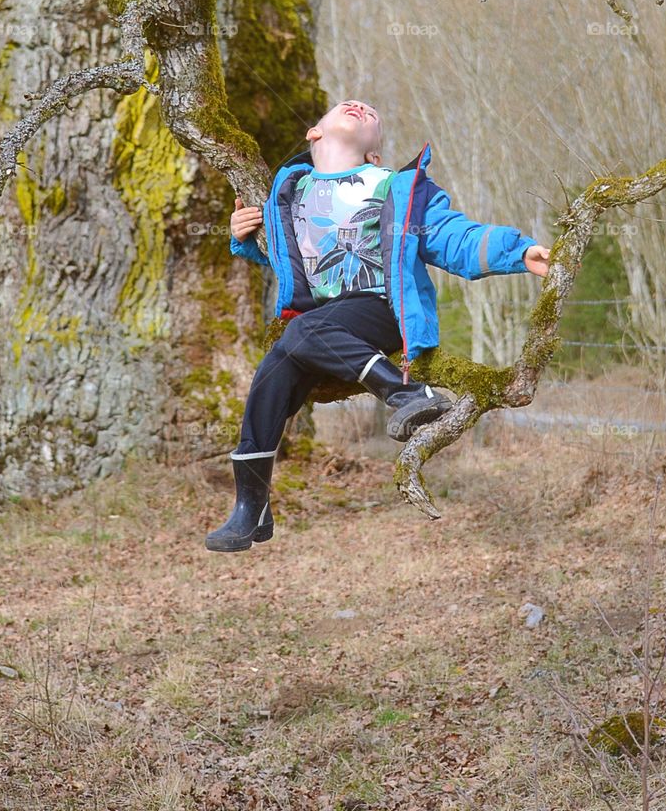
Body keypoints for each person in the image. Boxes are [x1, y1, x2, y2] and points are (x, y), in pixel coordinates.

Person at [204, 100, 550, 552]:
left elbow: (453, 237)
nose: (359, 106)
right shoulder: (290, 193)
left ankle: (406, 393)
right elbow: (287, 259)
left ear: (375, 155)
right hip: (323, 324)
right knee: (268, 380)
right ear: (314, 132)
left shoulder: (393, 186)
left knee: (302, 332)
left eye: (370, 114)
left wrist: (519, 253)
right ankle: (251, 506)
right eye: (346, 106)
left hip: (379, 308)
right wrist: (242, 234)